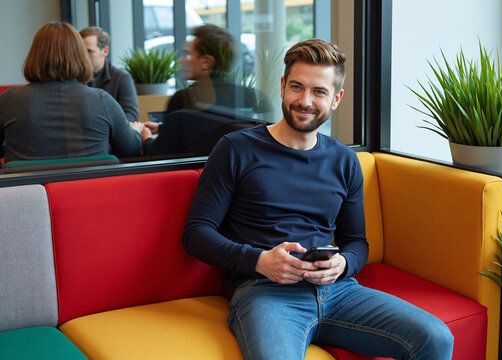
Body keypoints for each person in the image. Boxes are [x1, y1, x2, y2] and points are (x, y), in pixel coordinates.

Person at [182, 39, 454, 360]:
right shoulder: (236, 148)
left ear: (335, 99)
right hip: (264, 293)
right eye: (297, 87)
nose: (305, 101)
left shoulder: (344, 160)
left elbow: (357, 243)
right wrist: (259, 261)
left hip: (339, 292)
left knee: (436, 337)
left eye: (319, 92)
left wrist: (343, 264)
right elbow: (196, 234)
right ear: (283, 86)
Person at [0, 22, 144, 163]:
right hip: (90, 186)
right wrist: (136, 132)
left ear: (34, 55)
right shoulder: (102, 101)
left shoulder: (9, 101)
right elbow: (130, 150)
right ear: (79, 56)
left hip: (26, 187)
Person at [142, 24, 270, 156]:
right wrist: (164, 128)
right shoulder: (252, 97)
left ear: (206, 62)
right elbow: (214, 128)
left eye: (187, 54)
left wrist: (146, 138)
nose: (181, 61)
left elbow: (159, 157)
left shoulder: (183, 100)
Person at [80, 26, 139, 123]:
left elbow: (131, 116)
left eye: (89, 51)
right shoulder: (73, 78)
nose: (84, 57)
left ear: (105, 51)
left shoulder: (121, 78)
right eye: (81, 52)